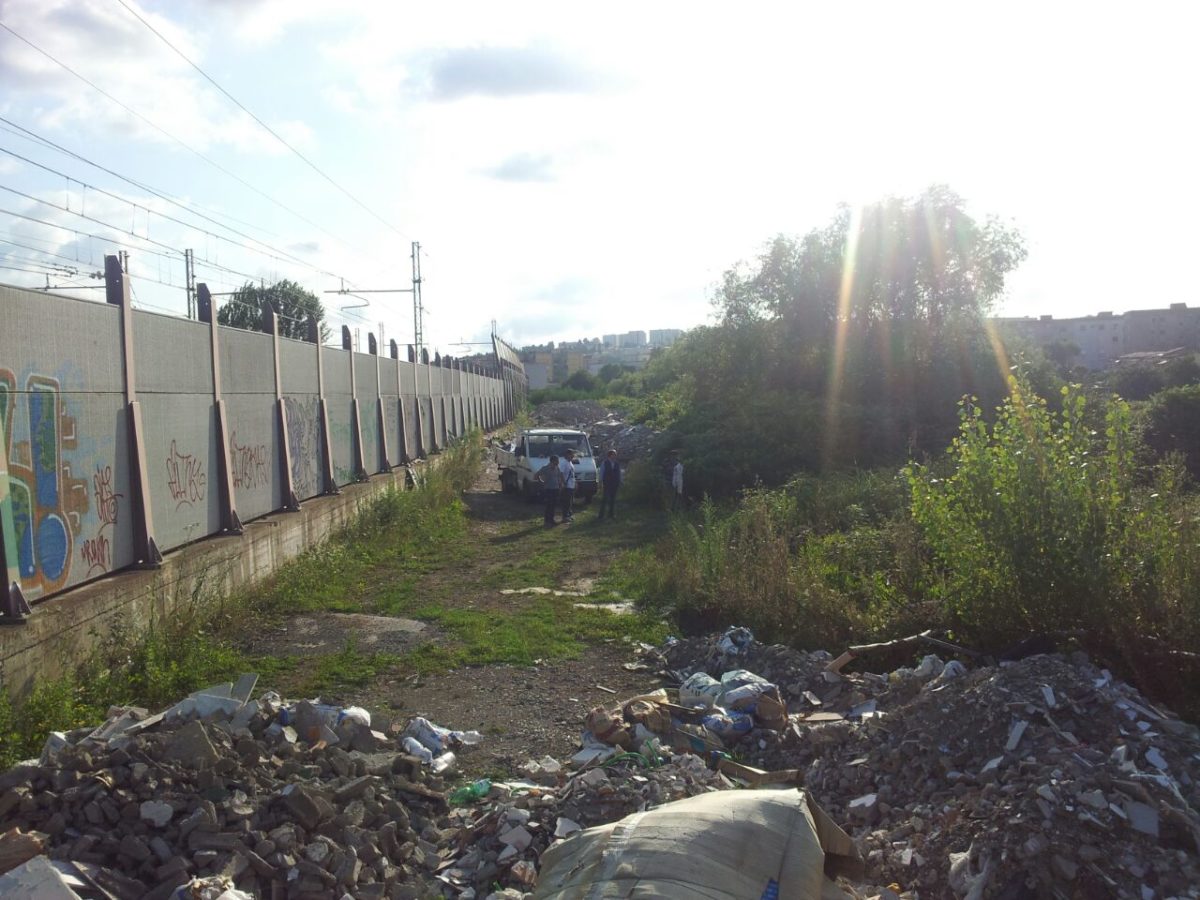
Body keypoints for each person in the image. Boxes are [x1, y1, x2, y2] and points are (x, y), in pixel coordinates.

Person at [536, 454, 562, 527]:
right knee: (549, 505)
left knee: (554, 505)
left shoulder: (557, 468)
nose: (558, 462)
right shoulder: (545, 468)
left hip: (556, 489)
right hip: (549, 489)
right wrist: (541, 482)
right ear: (553, 461)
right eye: (557, 461)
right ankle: (547, 521)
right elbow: (536, 475)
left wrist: (560, 485)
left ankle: (551, 520)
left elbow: (559, 476)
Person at [599, 449, 621, 520]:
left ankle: (611, 514)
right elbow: (601, 473)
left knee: (613, 499)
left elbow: (619, 473)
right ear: (610, 455)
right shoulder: (605, 463)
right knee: (605, 499)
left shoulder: (616, 463)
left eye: (615, 454)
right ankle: (601, 515)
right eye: (614, 454)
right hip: (607, 483)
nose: (615, 456)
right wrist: (600, 482)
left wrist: (620, 481)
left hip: (615, 483)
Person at [559, 448, 577, 524]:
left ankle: (569, 515)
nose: (573, 456)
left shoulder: (570, 463)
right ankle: (565, 517)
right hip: (567, 485)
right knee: (566, 501)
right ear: (567, 455)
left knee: (570, 501)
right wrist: (564, 483)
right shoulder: (564, 463)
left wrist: (575, 483)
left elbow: (572, 474)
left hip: (571, 484)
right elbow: (561, 473)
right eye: (572, 454)